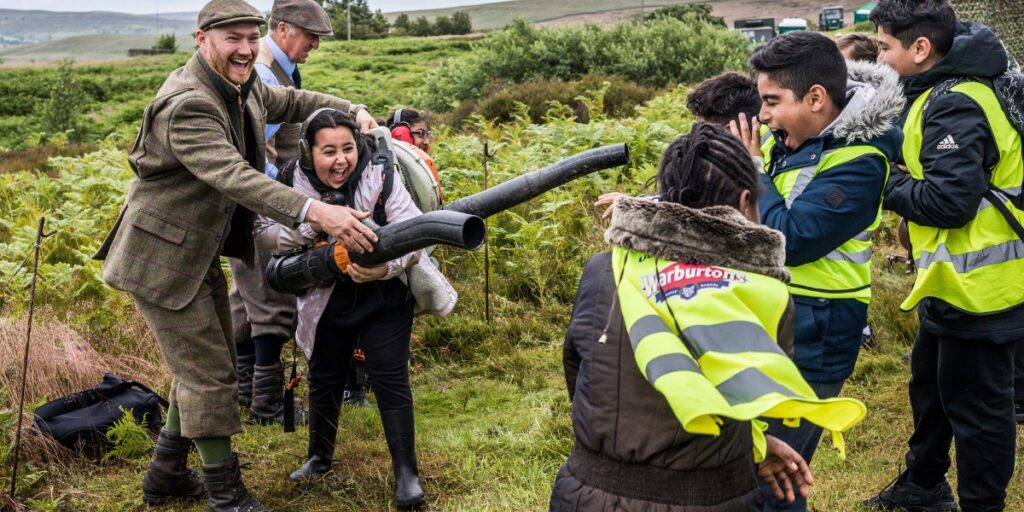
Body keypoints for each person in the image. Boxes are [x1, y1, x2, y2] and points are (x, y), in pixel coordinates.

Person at [93, 1, 379, 509]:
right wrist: (316, 211)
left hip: (195, 251)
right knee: (210, 375)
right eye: (233, 38)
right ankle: (227, 496)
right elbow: (236, 176)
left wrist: (350, 108)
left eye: (252, 37)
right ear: (202, 38)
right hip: (161, 260)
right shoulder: (189, 104)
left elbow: (290, 102)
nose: (246, 49)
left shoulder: (239, 86)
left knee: (204, 366)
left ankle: (165, 474)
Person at [551, 122, 877, 511]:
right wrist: (759, 443)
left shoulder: (604, 270)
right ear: (744, 201)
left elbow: (581, 372)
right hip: (709, 497)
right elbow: (744, 402)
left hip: (586, 493)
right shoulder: (765, 292)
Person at [730, 31, 903, 512]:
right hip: (783, 318)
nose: (761, 116)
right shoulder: (797, 138)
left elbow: (792, 239)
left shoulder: (861, 162)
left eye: (771, 102)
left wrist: (752, 168)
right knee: (758, 463)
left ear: (816, 98)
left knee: (776, 478)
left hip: (819, 327)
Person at [862, 1, 1023, 511]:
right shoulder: (948, 86)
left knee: (979, 409)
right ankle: (923, 484)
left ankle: (982, 505)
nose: (880, 58)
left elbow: (949, 204)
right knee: (931, 386)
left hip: (983, 289)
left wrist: (882, 182)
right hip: (951, 284)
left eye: (885, 47)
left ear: (921, 48)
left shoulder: (954, 102)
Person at [255, 109, 426, 508]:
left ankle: (406, 473)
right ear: (308, 152)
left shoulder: (381, 173)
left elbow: (416, 232)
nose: (340, 160)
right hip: (323, 294)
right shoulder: (289, 181)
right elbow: (261, 231)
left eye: (348, 148)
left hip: (383, 293)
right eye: (328, 151)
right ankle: (318, 459)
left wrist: (387, 266)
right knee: (325, 376)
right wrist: (312, 224)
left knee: (390, 378)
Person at [231, 0, 333, 424]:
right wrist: (299, 199)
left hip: (262, 199)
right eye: (310, 35)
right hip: (265, 203)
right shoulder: (266, 74)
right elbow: (256, 151)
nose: (315, 44)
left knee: (245, 297)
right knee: (272, 297)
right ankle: (266, 404)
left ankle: (243, 385)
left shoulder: (277, 70)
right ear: (283, 28)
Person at [594, 72, 762, 218]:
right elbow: (685, 201)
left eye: (702, 129)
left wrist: (755, 167)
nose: (695, 137)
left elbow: (697, 217)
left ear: (729, 131)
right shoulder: (722, 163)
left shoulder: (764, 163)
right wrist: (637, 204)